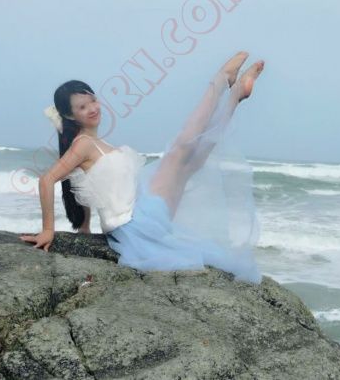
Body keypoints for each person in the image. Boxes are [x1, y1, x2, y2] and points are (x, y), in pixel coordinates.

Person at [20, 51, 265, 284]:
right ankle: (221, 81)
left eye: (93, 100)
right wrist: (48, 230)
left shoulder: (96, 144)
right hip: (135, 224)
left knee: (193, 162)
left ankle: (234, 96)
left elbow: (83, 186)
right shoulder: (83, 144)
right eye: (82, 107)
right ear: (70, 116)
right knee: (180, 149)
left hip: (142, 216)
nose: (92, 108)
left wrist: (84, 226)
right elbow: (46, 180)